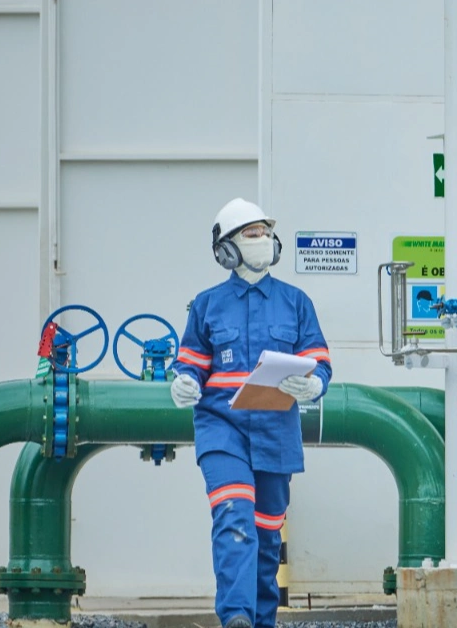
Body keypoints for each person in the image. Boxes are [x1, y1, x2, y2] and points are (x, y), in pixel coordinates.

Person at [169, 198, 333, 628]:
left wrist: (315, 383)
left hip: (276, 432)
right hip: (221, 429)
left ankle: (261, 621)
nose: (262, 241)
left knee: (265, 535)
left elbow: (319, 360)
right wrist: (183, 381)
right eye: (251, 234)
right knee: (233, 516)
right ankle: (236, 617)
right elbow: (190, 363)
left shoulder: (297, 302)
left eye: (265, 233)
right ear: (227, 249)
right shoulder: (206, 305)